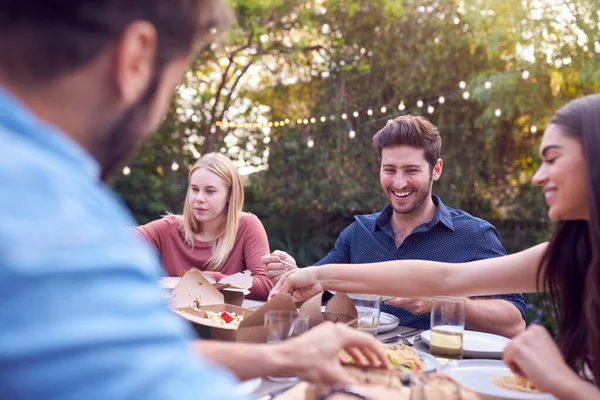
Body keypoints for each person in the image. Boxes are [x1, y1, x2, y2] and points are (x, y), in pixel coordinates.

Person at [0, 2, 388, 399]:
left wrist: (282, 357)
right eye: (173, 82)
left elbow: (143, 358)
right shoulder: (60, 229)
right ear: (136, 58)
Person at [272, 94, 600, 400]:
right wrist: (315, 274)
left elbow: (505, 314)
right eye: (390, 170)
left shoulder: (476, 233)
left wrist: (558, 378)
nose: (538, 176)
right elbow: (444, 278)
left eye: (552, 159)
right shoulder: (576, 250)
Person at [264, 115, 526, 338]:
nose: (399, 183)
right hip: (358, 364)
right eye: (390, 169)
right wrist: (291, 272)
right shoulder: (358, 232)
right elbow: (320, 288)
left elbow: (514, 322)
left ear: (436, 169)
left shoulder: (474, 235)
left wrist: (439, 304)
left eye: (411, 170)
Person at [138, 152, 272, 300]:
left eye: (210, 191)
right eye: (195, 189)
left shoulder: (247, 225)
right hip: (178, 321)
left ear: (229, 195)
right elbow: (120, 238)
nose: (199, 198)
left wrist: (213, 279)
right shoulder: (169, 228)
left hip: (227, 321)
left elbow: (265, 286)